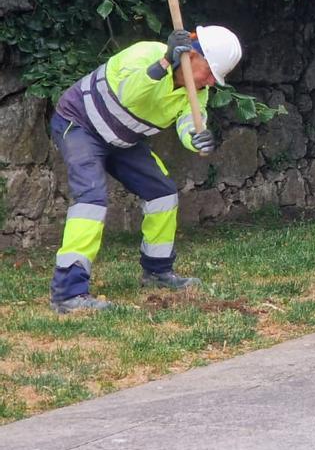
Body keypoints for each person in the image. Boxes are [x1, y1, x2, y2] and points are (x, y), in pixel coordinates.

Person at [48, 25, 243, 313]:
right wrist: (164, 62)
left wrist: (197, 139)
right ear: (191, 55)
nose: (212, 81)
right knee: (91, 199)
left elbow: (190, 122)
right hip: (79, 125)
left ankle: (157, 272)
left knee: (162, 193)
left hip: (123, 139)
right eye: (210, 71)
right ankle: (68, 293)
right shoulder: (145, 53)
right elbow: (130, 95)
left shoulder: (196, 91)